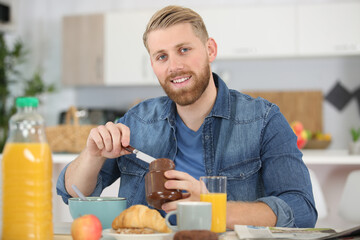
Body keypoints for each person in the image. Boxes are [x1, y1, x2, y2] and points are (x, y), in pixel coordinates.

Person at [57, 5, 317, 228]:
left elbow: (302, 209)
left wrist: (212, 207)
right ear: (153, 65)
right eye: (161, 56)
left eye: (184, 50)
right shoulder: (137, 121)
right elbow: (72, 193)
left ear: (210, 50)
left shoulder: (264, 120)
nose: (174, 66)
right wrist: (92, 155)